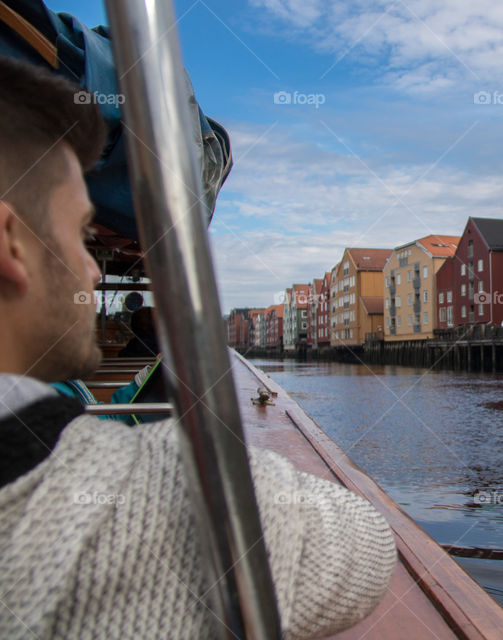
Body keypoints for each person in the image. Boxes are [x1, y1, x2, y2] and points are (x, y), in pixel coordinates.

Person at [0, 55, 395, 639]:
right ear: (11, 244)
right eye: (82, 234)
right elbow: (366, 547)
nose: (92, 271)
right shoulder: (109, 510)